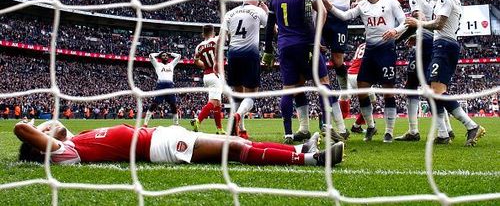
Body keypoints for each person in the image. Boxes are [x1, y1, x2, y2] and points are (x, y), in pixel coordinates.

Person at [14, 120, 344, 167]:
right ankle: (314, 161)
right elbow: (20, 127)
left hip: (161, 135)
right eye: (44, 128)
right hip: (159, 149)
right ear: (41, 144)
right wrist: (42, 136)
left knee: (235, 139)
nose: (51, 123)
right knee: (235, 151)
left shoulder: (74, 138)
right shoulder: (66, 153)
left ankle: (304, 149)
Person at [263, 0, 345, 144]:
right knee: (323, 83)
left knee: (289, 88)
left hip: (285, 46)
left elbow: (270, 25)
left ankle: (289, 133)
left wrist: (268, 49)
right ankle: (326, 126)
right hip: (305, 44)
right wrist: (316, 41)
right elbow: (314, 17)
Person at [405, 0, 485, 146]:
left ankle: (471, 125)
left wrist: (419, 23)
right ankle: (443, 134)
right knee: (433, 91)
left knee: (437, 91)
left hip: (444, 46)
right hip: (444, 45)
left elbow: (439, 24)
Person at [327, 0, 407, 143]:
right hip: (370, 52)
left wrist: (395, 31)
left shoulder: (391, 2)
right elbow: (345, 16)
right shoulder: (362, 5)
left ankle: (389, 132)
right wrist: (330, 7)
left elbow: (404, 22)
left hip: (386, 51)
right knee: (362, 89)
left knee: (388, 92)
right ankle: (371, 126)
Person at [395, 0, 455, 142]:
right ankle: (447, 129)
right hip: (435, 42)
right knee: (432, 87)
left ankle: (414, 131)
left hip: (425, 44)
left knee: (413, 86)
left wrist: (397, 41)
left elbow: (416, 22)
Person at [216, 0, 268, 139]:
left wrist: (215, 60)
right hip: (250, 55)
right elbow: (275, 29)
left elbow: (221, 39)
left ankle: (238, 129)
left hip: (233, 55)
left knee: (237, 96)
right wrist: (265, 10)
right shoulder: (258, 11)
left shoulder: (230, 13)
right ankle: (238, 116)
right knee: (251, 96)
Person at [308, 0, 359, 91]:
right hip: (322, 16)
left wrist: (356, 2)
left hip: (340, 18)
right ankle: (326, 88)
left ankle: (344, 89)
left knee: (337, 59)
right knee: (318, 53)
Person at [191, 25, 225, 134]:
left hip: (206, 76)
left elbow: (196, 62)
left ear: (202, 34)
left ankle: (219, 129)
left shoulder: (198, 47)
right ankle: (198, 120)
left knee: (218, 104)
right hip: (215, 75)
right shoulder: (216, 40)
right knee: (213, 102)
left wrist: (205, 65)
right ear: (213, 32)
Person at [338, 42, 377, 134]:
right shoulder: (375, 43)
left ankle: (329, 124)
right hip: (361, 76)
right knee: (371, 102)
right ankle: (366, 126)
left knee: (342, 102)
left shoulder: (361, 45)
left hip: (349, 75)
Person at [144, 51, 182, 126]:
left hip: (170, 86)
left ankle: (176, 124)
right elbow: (151, 55)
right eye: (163, 55)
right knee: (154, 104)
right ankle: (145, 123)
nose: (165, 56)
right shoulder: (157, 65)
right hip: (160, 85)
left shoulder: (171, 65)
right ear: (160, 57)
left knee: (173, 105)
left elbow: (179, 56)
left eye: (166, 56)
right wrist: (158, 54)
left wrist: (170, 53)